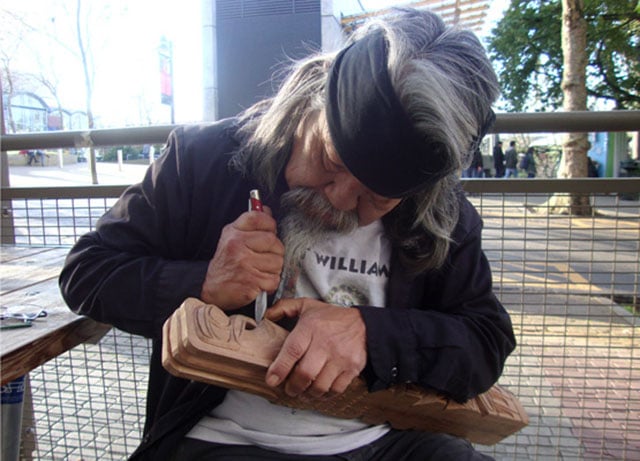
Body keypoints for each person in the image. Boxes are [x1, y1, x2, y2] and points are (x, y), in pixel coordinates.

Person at [59, 8, 516, 461]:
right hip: (227, 438)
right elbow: (87, 272)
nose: (339, 200)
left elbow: (485, 340)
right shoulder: (203, 160)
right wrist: (204, 284)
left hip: (388, 438)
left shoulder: (438, 211)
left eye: (375, 197)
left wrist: (370, 334)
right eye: (331, 161)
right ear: (313, 102)